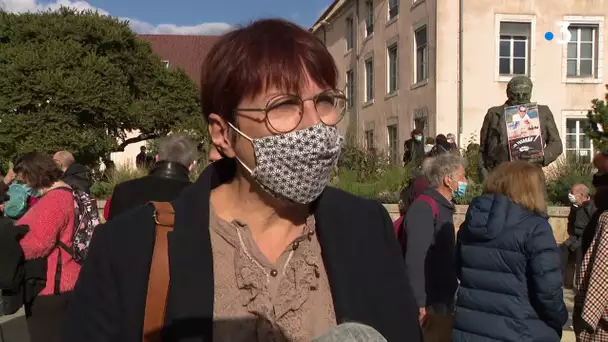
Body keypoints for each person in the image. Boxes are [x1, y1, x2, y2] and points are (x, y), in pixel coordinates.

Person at [62, 18, 421, 342]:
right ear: (222, 134)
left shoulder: (365, 227)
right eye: (283, 106)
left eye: (325, 101)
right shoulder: (129, 247)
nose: (317, 126)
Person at [453, 161, 567, 341]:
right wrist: (560, 318)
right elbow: (549, 291)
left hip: (470, 329)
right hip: (521, 330)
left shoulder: (470, 225)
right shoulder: (535, 228)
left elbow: (460, 271)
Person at [13, 152, 79, 342]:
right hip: (66, 278)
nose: (24, 184)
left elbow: (39, 243)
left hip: (51, 283)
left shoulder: (55, 200)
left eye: (25, 179)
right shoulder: (69, 192)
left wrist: (11, 248)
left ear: (35, 174)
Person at [404, 154, 466, 341]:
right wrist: (419, 304)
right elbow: (414, 259)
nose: (465, 181)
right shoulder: (424, 208)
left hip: (442, 297)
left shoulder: (443, 207)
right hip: (430, 303)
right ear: (448, 179)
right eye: (462, 176)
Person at [479, 76, 563, 178]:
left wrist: (542, 156)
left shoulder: (543, 112)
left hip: (531, 175)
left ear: (531, 92)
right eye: (516, 95)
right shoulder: (494, 113)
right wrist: (485, 176)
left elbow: (556, 144)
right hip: (501, 175)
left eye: (525, 94)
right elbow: (483, 150)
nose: (521, 98)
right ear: (508, 93)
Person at [107, 133, 198, 220]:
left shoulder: (123, 191)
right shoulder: (200, 197)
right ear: (191, 167)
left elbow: (109, 233)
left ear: (157, 158)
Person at [573, 152, 608, 340]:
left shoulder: (605, 219)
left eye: (601, 173)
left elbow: (600, 277)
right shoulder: (598, 213)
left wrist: (585, 316)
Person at [562, 184, 596, 290]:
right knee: (563, 251)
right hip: (574, 236)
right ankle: (566, 284)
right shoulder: (575, 207)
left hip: (585, 239)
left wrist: (578, 242)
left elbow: (592, 229)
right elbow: (571, 223)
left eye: (572, 193)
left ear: (581, 195)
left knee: (579, 254)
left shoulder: (591, 207)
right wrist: (571, 239)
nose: (570, 195)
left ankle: (580, 286)